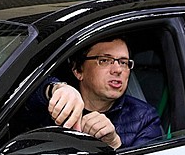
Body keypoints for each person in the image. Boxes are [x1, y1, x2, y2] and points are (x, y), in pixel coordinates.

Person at [23, 37, 162, 149]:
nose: (118, 70)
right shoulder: (52, 105)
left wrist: (114, 144)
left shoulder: (144, 117)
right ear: (78, 70)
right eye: (105, 60)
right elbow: (23, 94)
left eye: (123, 62)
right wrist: (55, 89)